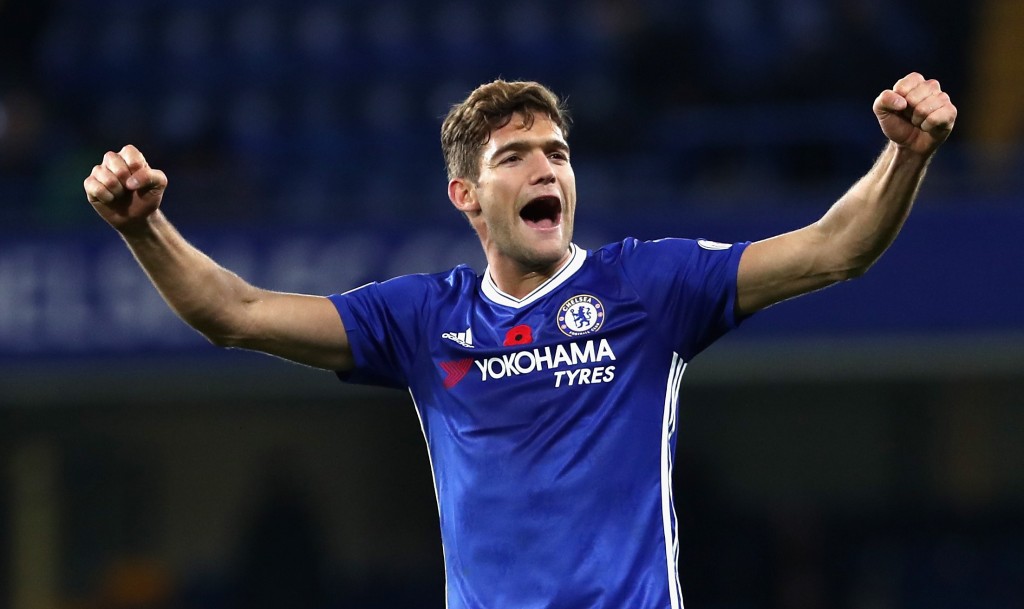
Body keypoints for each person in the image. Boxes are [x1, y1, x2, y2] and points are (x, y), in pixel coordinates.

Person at [83, 72, 956, 609]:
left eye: (558, 152)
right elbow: (234, 311)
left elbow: (836, 248)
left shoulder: (647, 288)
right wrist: (142, 227)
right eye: (515, 156)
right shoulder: (422, 321)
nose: (547, 167)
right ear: (465, 196)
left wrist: (906, 156)